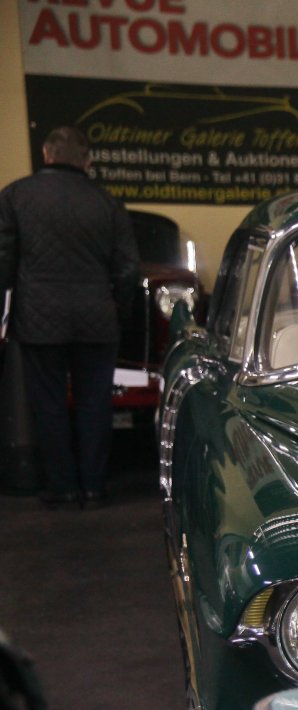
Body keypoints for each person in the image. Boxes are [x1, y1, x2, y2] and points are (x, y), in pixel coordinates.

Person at [0, 126, 140, 508]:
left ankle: (62, 486)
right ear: (87, 161)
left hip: (38, 319)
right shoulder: (108, 203)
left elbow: (3, 263)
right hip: (98, 318)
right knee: (96, 404)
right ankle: (94, 486)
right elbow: (128, 269)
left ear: (46, 154)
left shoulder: (15, 195)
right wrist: (118, 310)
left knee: (48, 405)